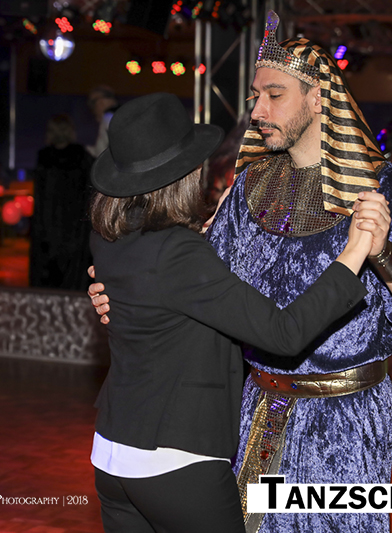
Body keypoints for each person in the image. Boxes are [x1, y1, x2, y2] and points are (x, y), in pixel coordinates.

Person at [90, 12, 392, 533]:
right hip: (253, 408)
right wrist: (122, 296)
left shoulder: (382, 186)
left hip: (343, 421)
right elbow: (194, 287)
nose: (257, 110)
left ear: (318, 97)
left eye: (274, 95)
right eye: (255, 96)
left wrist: (382, 252)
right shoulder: (249, 186)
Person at [88, 92, 376, 533]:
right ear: (188, 171)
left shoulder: (109, 236)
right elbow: (283, 333)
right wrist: (354, 252)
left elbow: (166, 290)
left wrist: (207, 235)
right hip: (175, 459)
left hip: (112, 453)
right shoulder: (180, 253)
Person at [29, 114, 95, 289]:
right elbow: (89, 193)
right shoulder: (83, 157)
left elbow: (40, 196)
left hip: (48, 225)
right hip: (75, 227)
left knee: (48, 276)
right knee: (73, 276)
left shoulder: (44, 157)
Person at [86, 85, 119, 157]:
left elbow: (100, 152)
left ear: (101, 101)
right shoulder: (124, 113)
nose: (93, 108)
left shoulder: (108, 118)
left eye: (93, 103)